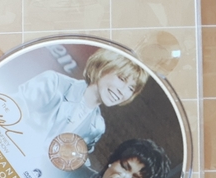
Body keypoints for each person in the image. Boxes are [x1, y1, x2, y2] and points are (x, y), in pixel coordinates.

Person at [16, 48, 149, 152]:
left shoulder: (97, 127)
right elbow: (8, 111)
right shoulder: (53, 83)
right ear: (103, 67)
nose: (122, 91)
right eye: (121, 79)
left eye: (131, 88)